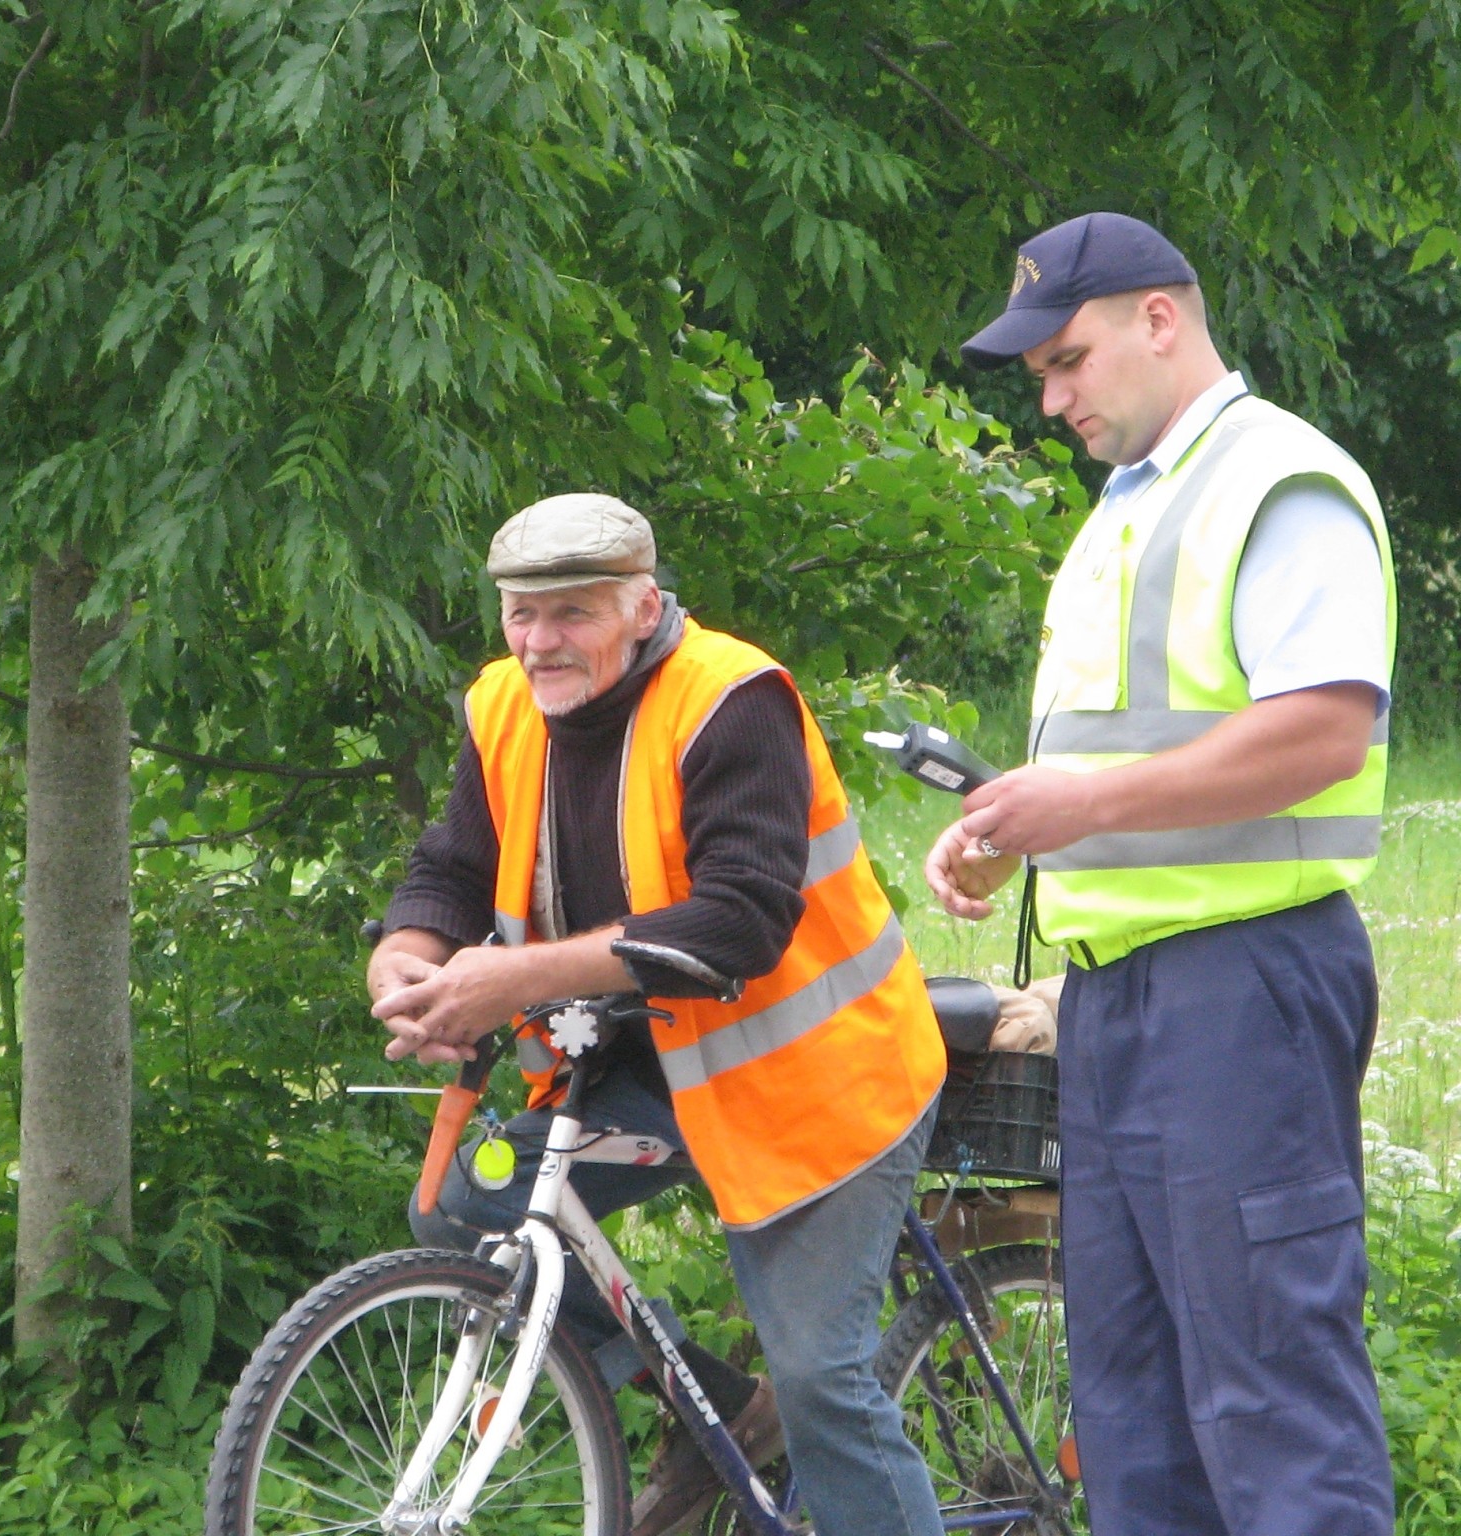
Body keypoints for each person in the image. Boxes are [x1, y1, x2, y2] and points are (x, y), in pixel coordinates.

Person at [929, 212, 1396, 1534]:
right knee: (1133, 1419)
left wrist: (1083, 802)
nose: (1056, 397)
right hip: (1120, 1004)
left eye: (1068, 361)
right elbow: (1121, 758)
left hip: (1240, 993)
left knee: (1270, 1406)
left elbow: (1322, 727)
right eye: (1038, 377)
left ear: (1160, 319)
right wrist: (1006, 820)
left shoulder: (1274, 480)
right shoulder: (1129, 509)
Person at [370, 493, 949, 1536]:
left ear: (643, 607)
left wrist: (516, 979)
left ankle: (793, 1421)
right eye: (518, 613)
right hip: (646, 1075)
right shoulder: (501, 707)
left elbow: (738, 922)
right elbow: (447, 870)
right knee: (457, 1207)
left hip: (817, 1085)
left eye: (572, 613)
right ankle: (723, 1414)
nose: (539, 642)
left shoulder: (731, 699)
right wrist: (403, 963)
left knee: (823, 1381)